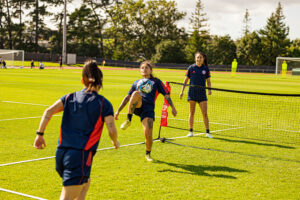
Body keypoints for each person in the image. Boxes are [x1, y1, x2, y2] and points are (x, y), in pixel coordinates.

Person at [33, 60, 120, 200]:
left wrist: (40, 134)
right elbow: (111, 129)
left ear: (82, 80)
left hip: (61, 154)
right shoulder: (103, 103)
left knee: (85, 184)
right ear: (101, 81)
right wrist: (115, 141)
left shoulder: (69, 97)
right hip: (79, 156)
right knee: (67, 197)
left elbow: (48, 111)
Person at [114, 60, 177, 161]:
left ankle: (148, 154)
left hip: (148, 110)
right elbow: (127, 97)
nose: (144, 69)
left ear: (151, 70)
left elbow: (166, 95)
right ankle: (128, 119)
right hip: (138, 106)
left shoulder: (156, 81)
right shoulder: (136, 82)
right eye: (142, 68)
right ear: (140, 70)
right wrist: (118, 111)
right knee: (135, 94)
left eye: (146, 67)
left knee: (148, 135)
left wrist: (173, 107)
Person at [179, 51, 212, 138]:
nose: (199, 59)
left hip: (202, 94)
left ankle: (208, 132)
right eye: (197, 57)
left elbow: (208, 81)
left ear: (203, 59)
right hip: (192, 93)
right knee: (191, 113)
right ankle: (190, 131)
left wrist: (209, 90)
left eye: (200, 57)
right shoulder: (191, 68)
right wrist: (182, 91)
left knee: (204, 113)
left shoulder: (206, 69)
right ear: (195, 58)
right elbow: (185, 80)